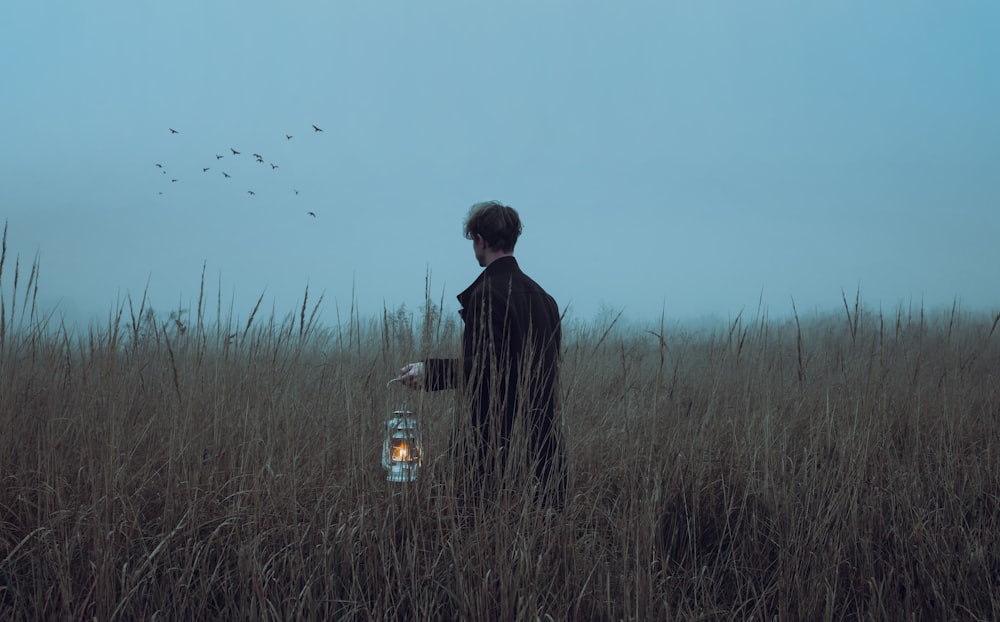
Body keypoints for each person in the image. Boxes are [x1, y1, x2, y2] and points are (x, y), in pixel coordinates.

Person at [399, 201, 566, 507]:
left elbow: (490, 368)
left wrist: (429, 371)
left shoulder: (487, 294)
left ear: (480, 239)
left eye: (473, 240)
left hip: (494, 451)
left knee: (487, 538)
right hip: (543, 447)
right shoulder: (546, 299)